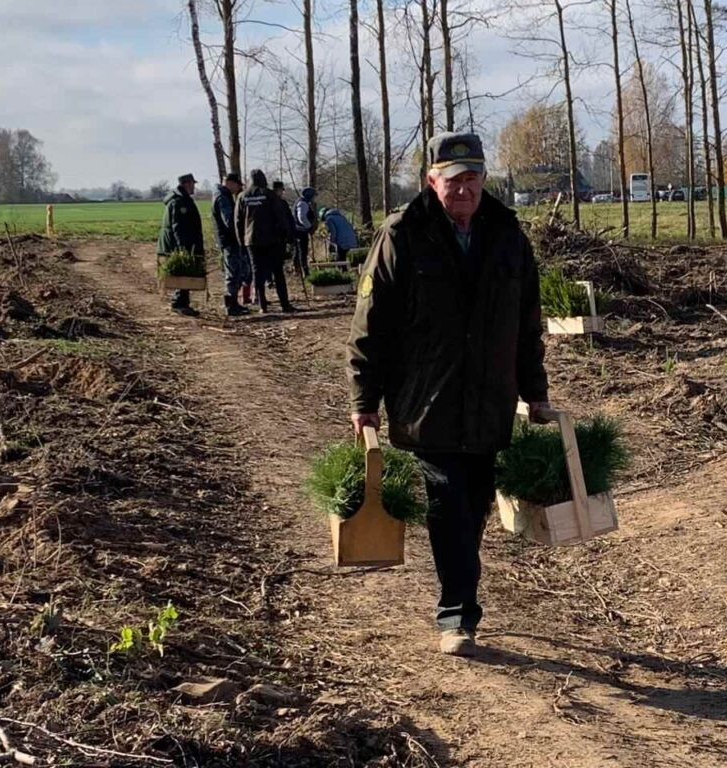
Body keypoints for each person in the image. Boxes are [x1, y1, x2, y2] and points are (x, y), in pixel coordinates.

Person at [347, 132, 551, 658]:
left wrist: (536, 393)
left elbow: (528, 325)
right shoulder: (403, 234)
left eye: (473, 178)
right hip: (426, 403)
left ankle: (462, 591)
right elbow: (371, 326)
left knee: (476, 503)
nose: (465, 189)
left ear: (485, 180)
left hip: (489, 401)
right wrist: (363, 400)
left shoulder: (507, 235)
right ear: (431, 180)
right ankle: (457, 614)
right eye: (454, 179)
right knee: (447, 503)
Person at [235, 169, 297, 313]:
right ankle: (284, 304)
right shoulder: (270, 195)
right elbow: (280, 217)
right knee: (277, 272)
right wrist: (287, 236)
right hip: (272, 240)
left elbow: (238, 221)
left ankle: (262, 306)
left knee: (258, 273)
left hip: (251, 240)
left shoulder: (242, 196)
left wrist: (241, 242)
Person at [157, 173, 204, 317]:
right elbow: (179, 227)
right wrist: (183, 248)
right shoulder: (180, 202)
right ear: (186, 184)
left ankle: (182, 302)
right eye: (192, 184)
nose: (194, 187)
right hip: (178, 244)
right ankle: (179, 303)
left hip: (178, 243)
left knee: (183, 272)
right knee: (182, 271)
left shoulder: (180, 199)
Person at [212, 172, 251, 316]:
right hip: (229, 240)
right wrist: (241, 229)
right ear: (229, 182)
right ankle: (231, 304)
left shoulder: (222, 195)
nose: (237, 189)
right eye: (237, 185)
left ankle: (234, 303)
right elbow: (229, 221)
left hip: (228, 240)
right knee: (233, 272)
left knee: (237, 271)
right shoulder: (222, 197)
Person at [293, 186, 318, 276]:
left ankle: (298, 269)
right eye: (314, 196)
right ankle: (304, 271)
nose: (315, 198)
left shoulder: (303, 202)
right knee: (302, 251)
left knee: (299, 251)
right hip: (300, 231)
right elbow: (302, 217)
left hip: (299, 231)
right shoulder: (303, 203)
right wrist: (309, 227)